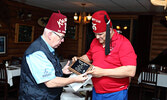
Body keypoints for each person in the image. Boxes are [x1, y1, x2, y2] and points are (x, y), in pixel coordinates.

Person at [19, 11, 88, 100]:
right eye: (61, 37)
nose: (62, 40)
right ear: (49, 34)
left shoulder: (49, 48)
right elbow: (50, 82)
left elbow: (48, 72)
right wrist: (74, 79)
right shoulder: (37, 52)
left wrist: (62, 72)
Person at [72, 10, 137, 100]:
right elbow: (88, 56)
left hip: (116, 93)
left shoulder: (123, 43)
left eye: (100, 34)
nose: (97, 37)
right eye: (95, 34)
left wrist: (102, 72)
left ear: (110, 30)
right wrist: (79, 59)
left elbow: (131, 71)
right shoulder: (95, 42)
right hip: (96, 91)